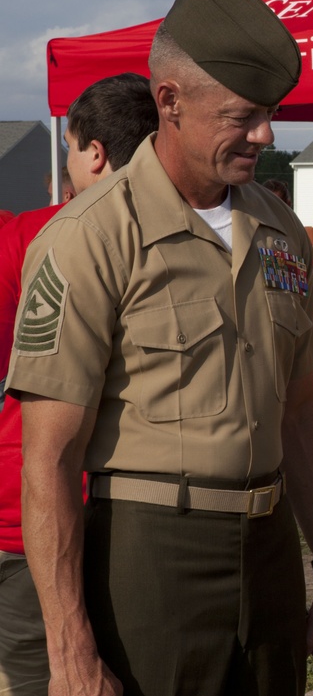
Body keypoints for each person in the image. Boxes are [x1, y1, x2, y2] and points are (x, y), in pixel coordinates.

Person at [9, 0, 313, 696]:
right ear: (168, 101)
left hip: (267, 553)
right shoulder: (90, 237)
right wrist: (71, 649)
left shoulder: (279, 230)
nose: (264, 132)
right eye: (240, 115)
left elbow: (299, 411)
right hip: (148, 559)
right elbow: (48, 457)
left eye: (269, 111)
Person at [0, 72, 157, 696]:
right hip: (147, 524)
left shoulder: (30, 235)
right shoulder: (192, 242)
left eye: (69, 147)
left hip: (28, 520)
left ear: (93, 151)